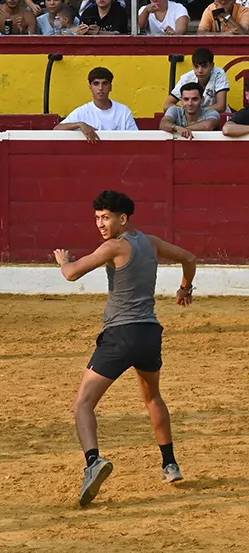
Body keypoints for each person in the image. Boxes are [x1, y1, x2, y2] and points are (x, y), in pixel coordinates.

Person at [54, 190, 197, 505]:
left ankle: (93, 462)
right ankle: (170, 464)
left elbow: (71, 274)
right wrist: (185, 288)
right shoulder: (152, 242)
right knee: (153, 397)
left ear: (123, 218)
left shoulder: (114, 246)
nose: (100, 224)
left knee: (83, 404)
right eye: (97, 218)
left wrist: (64, 261)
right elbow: (189, 258)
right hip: (149, 334)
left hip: (120, 335)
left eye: (106, 218)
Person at [54, 66, 136, 142]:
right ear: (90, 87)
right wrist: (80, 124)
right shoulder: (82, 112)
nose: (100, 88)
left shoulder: (123, 111)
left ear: (110, 87)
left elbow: (136, 138)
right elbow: (56, 129)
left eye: (105, 83)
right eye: (96, 83)